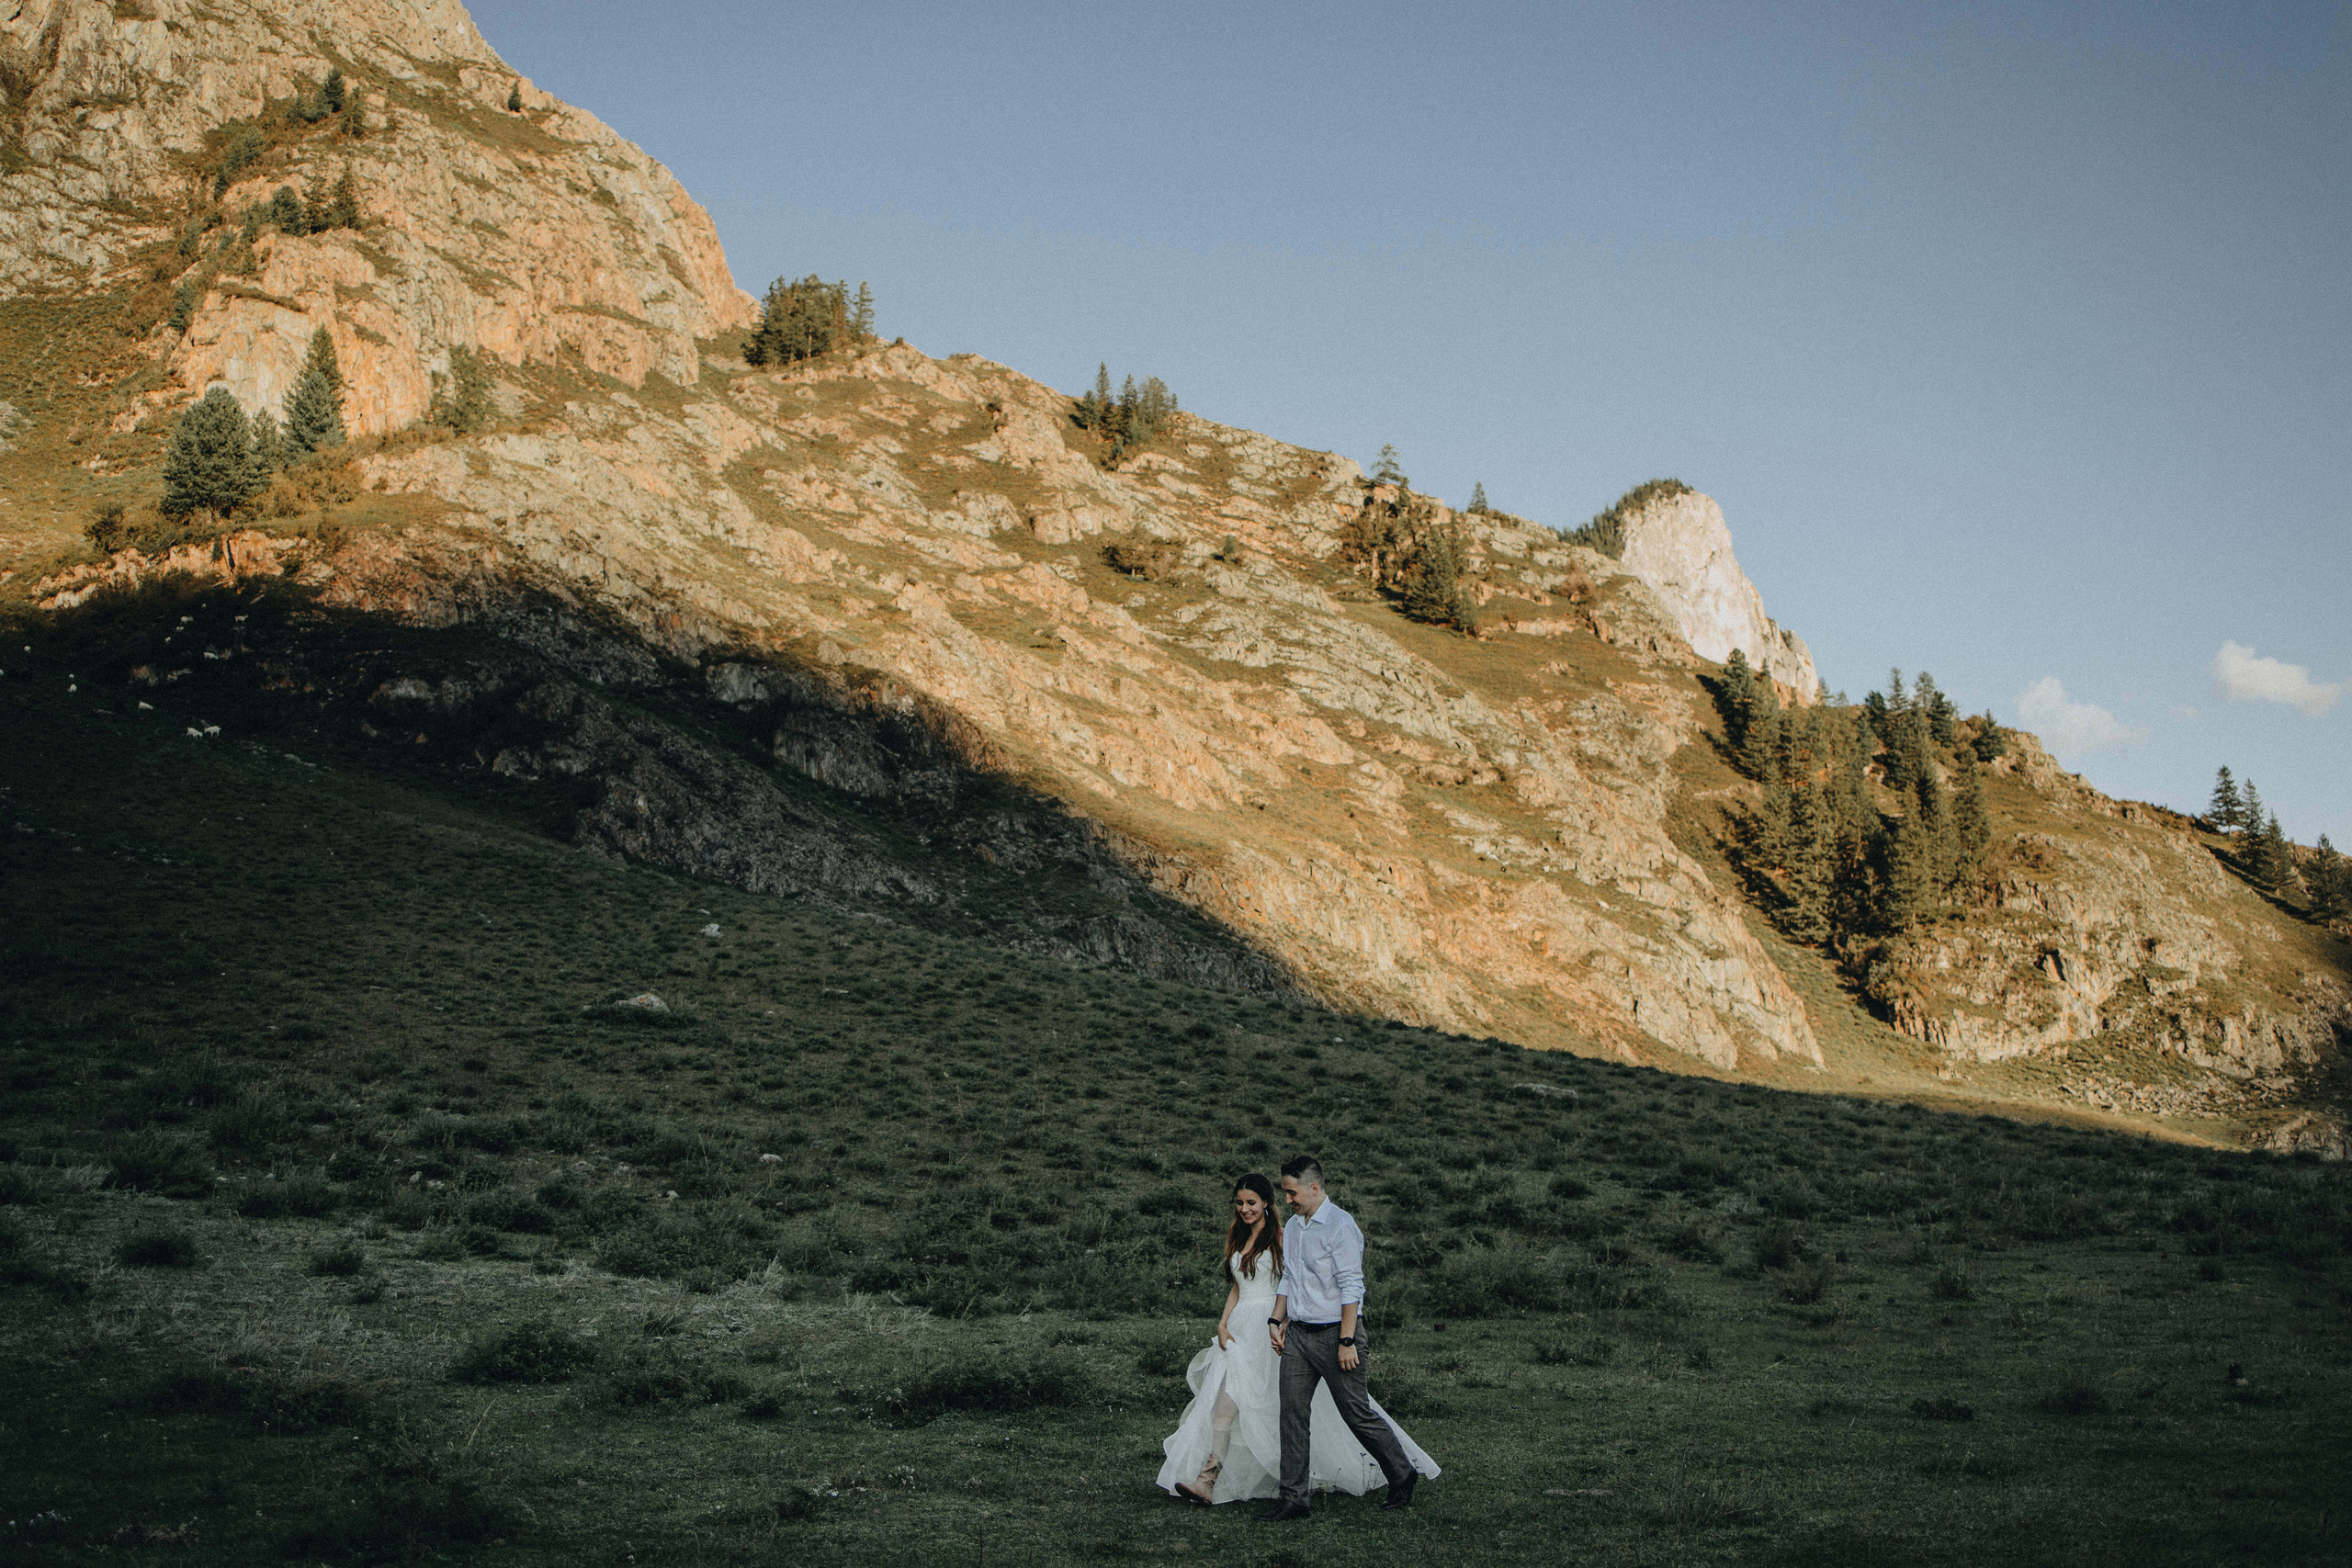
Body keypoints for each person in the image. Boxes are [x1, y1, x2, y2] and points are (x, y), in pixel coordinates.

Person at [1261, 1154, 1435, 1523]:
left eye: (1292, 1193)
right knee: (1292, 1413)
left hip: (1336, 1335)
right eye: (1285, 1193)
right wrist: (1276, 1319)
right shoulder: (1294, 1227)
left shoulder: (1341, 1226)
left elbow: (1352, 1287)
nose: (1287, 1200)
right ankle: (1294, 1500)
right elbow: (1289, 1277)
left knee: (1356, 1413)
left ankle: (1402, 1474)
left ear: (1313, 1187)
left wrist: (1347, 1341)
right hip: (1298, 1336)